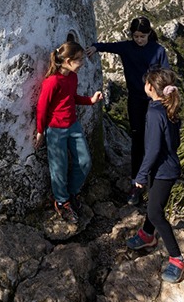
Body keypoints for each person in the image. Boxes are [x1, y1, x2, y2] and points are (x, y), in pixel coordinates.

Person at [86, 16, 169, 205]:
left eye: (142, 36)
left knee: (154, 140)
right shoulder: (127, 47)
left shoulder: (158, 50)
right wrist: (95, 47)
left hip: (155, 102)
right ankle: (136, 183)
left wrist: (167, 95)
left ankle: (155, 181)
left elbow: (167, 74)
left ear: (149, 34)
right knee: (137, 140)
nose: (139, 40)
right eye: (136, 36)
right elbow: (110, 46)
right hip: (135, 101)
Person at [125, 67, 184, 283]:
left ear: (150, 87)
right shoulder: (169, 109)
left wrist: (140, 177)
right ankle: (147, 235)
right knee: (155, 205)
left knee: (155, 212)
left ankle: (177, 257)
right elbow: (174, 143)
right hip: (167, 167)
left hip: (162, 171)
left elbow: (151, 150)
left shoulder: (153, 113)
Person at [35, 41, 104, 224]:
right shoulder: (52, 82)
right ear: (67, 60)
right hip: (56, 129)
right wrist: (41, 131)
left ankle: (72, 193)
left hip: (73, 126)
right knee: (59, 167)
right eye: (79, 59)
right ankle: (61, 200)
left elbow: (71, 98)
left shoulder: (72, 77)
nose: (82, 63)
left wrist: (90, 100)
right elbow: (42, 107)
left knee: (84, 161)